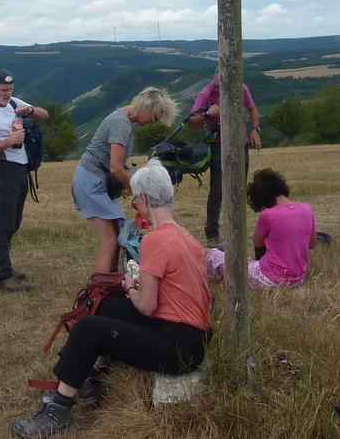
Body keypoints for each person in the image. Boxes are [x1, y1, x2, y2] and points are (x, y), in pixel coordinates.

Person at [12, 160, 212, 437]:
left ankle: (60, 409)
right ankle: (81, 376)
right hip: (192, 338)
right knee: (104, 305)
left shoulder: (155, 239)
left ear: (143, 199)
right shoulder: (186, 237)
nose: (135, 207)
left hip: (178, 348)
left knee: (87, 326)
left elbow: (146, 305)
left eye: (134, 202)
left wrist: (130, 286)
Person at [72, 87, 176, 273]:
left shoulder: (124, 120)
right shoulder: (121, 124)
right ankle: (99, 292)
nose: (153, 122)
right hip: (90, 181)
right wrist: (137, 189)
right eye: (155, 117)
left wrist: (134, 175)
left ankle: (112, 282)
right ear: (147, 107)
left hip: (95, 179)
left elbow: (118, 164)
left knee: (118, 237)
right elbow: (115, 168)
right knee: (110, 241)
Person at [0, 69, 49, 292]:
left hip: (21, 169)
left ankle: (2, 268)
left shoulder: (14, 103)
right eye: (3, 90)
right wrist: (9, 141)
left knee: (13, 222)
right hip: (4, 168)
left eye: (10, 90)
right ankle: (3, 277)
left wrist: (31, 110)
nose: (7, 94)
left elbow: (45, 115)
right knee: (2, 224)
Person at [188, 69, 262, 248]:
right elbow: (191, 120)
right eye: (220, 84)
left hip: (239, 142)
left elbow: (252, 109)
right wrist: (208, 114)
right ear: (215, 81)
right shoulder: (207, 92)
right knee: (218, 190)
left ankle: (237, 229)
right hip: (218, 145)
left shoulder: (241, 88)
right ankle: (212, 234)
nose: (223, 87)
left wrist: (255, 129)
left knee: (239, 187)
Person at [247, 168, 316, 289]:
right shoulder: (307, 208)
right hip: (298, 279)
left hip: (271, 278)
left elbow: (257, 243)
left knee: (220, 258)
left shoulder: (268, 215)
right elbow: (312, 244)